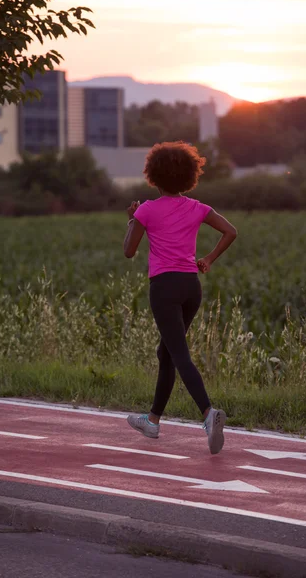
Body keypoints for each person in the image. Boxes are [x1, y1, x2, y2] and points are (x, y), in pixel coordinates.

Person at [123, 141, 237, 455]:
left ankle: (208, 414)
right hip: (191, 287)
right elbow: (231, 231)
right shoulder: (198, 207)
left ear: (154, 176)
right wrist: (210, 259)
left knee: (179, 354)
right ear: (189, 176)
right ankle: (153, 421)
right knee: (167, 353)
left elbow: (129, 251)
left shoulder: (146, 210)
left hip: (164, 287)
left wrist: (132, 219)